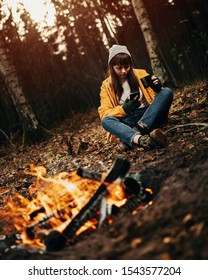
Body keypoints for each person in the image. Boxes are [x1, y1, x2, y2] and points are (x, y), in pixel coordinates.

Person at [98, 44, 173, 151]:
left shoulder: (141, 73)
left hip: (149, 115)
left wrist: (157, 88)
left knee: (166, 92)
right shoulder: (106, 86)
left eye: (127, 66)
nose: (124, 71)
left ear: (130, 64)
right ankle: (141, 139)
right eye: (119, 68)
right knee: (106, 121)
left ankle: (131, 137)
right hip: (128, 120)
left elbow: (157, 101)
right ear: (112, 67)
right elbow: (104, 113)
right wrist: (124, 109)